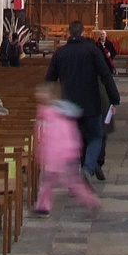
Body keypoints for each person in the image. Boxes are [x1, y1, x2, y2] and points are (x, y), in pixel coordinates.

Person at [45, 20, 119, 181]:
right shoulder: (92, 50)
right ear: (84, 33)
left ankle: (74, 179)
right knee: (95, 137)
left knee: (72, 142)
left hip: (68, 105)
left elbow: (49, 80)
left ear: (68, 34)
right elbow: (106, 75)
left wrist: (50, 102)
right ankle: (88, 168)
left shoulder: (60, 53)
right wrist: (114, 99)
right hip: (91, 104)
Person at [33, 83, 100, 217]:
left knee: (72, 184)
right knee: (48, 182)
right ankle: (42, 207)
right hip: (58, 154)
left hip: (61, 155)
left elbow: (57, 137)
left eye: (43, 92)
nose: (38, 95)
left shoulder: (54, 114)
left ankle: (92, 201)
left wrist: (55, 154)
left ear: (51, 96)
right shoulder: (49, 113)